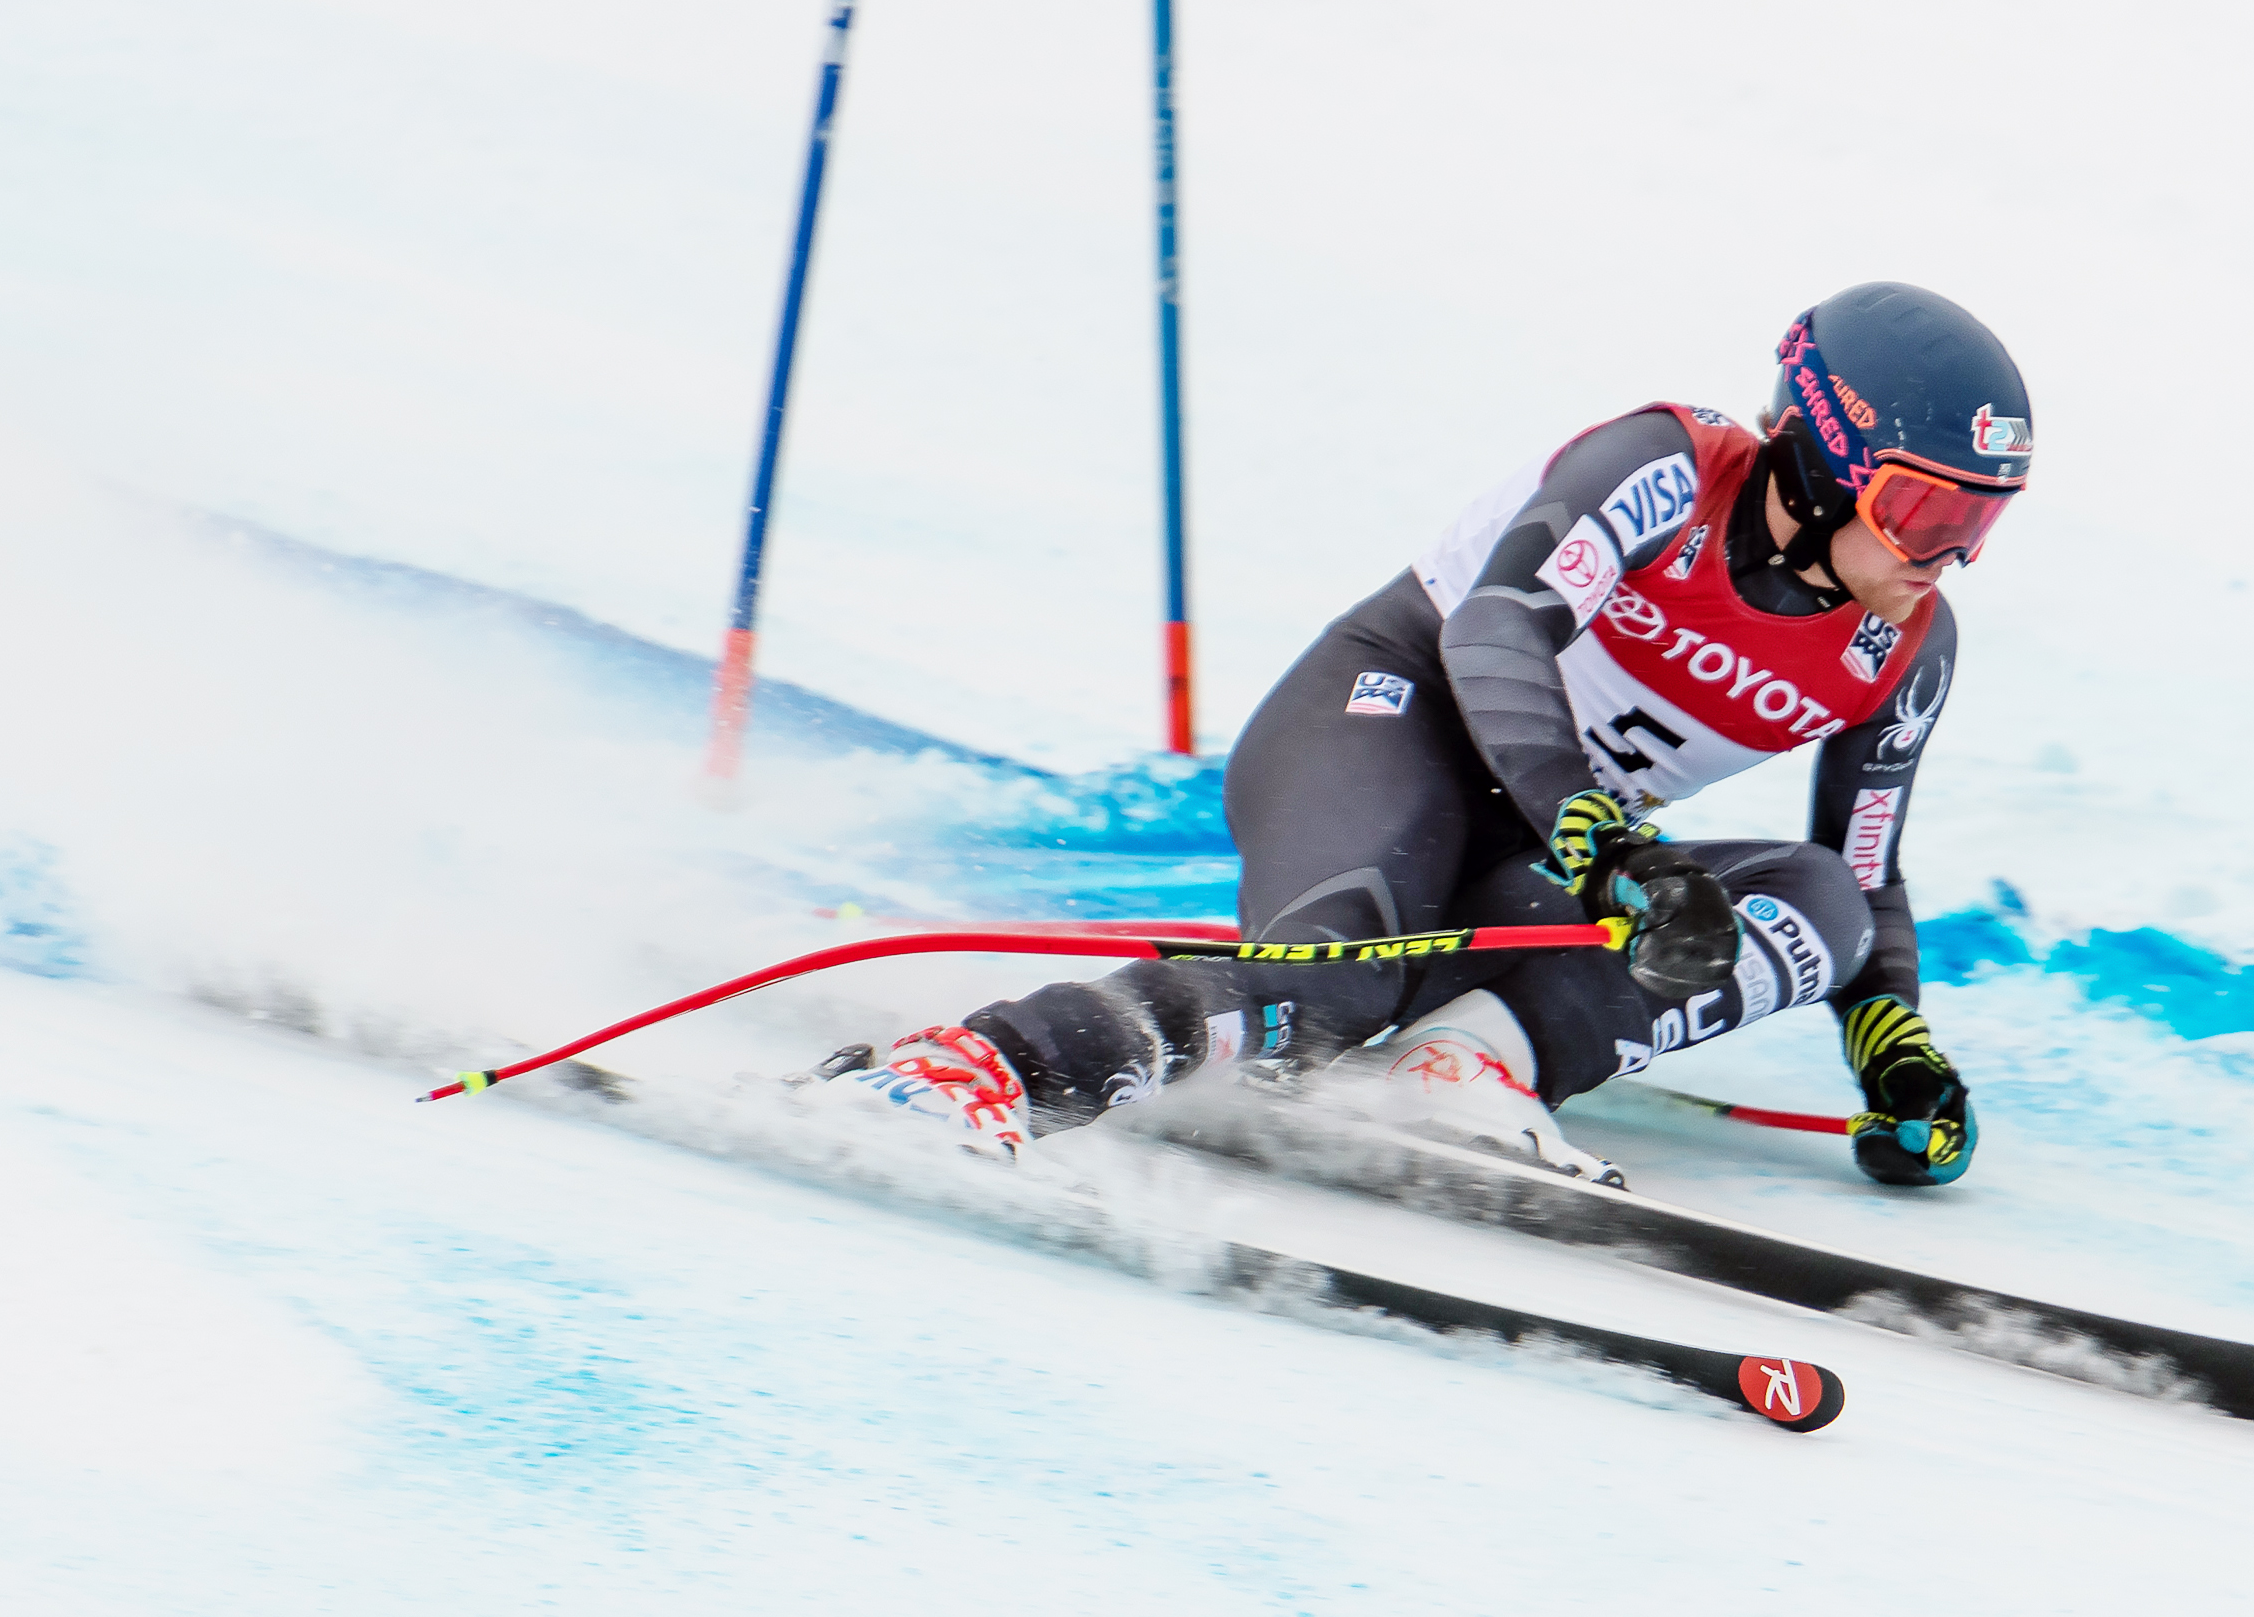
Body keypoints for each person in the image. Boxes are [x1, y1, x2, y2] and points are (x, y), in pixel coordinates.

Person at [823, 281, 2029, 1188]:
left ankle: (1470, 1063)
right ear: (1822, 454)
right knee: (1340, 983)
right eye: (1922, 506)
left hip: (1541, 841)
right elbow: (1497, 635)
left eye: (1980, 519)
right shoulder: (1665, 466)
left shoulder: (1909, 648)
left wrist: (1894, 1048)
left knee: (1807, 901)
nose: (1947, 553)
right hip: (1390, 723)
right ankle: (984, 1065)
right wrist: (1602, 841)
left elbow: (1863, 877)